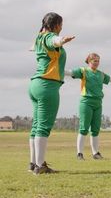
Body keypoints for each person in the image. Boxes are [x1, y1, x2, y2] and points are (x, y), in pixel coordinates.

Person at [28, 12, 75, 174]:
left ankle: (33, 164)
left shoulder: (39, 37)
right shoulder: (49, 37)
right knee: (43, 127)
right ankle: (41, 166)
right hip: (47, 86)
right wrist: (61, 40)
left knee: (36, 126)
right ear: (56, 25)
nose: (62, 28)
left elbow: (39, 46)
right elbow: (53, 40)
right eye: (61, 24)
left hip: (35, 84)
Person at [66, 53, 111, 160]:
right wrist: (55, 68)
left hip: (98, 103)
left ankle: (95, 153)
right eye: (95, 61)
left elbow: (109, 79)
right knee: (84, 128)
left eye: (98, 61)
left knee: (95, 129)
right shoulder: (83, 71)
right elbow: (70, 72)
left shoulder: (100, 74)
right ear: (89, 61)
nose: (97, 63)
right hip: (86, 102)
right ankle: (79, 154)